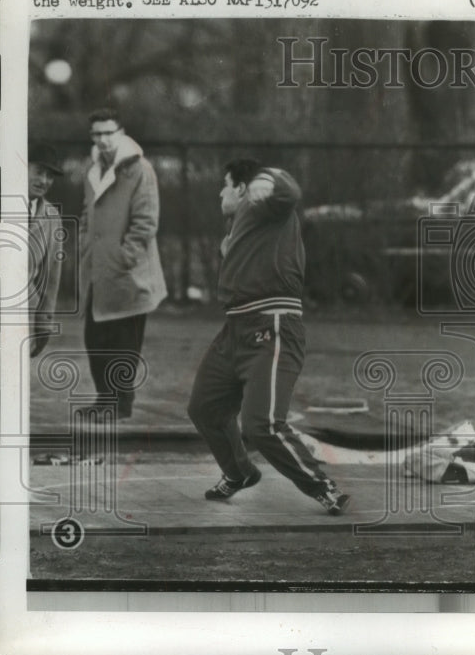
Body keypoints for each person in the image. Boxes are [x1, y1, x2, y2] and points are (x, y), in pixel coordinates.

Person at [187, 159, 350, 515]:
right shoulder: (239, 227)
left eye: (225, 184)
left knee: (262, 425)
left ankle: (322, 486)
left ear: (242, 189)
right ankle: (240, 472)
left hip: (273, 327)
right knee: (204, 408)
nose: (220, 192)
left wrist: (268, 178)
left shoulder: (262, 205)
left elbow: (289, 191)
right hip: (235, 330)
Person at [80, 108, 167, 418]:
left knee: (124, 344)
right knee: (95, 338)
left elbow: (145, 222)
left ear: (121, 132)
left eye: (108, 133)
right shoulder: (93, 169)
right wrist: (85, 244)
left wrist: (124, 258)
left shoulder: (140, 169)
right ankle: (105, 399)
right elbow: (87, 213)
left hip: (130, 275)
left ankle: (119, 404)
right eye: (97, 134)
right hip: (100, 271)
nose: (103, 140)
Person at [27, 142, 65, 358]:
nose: (43, 181)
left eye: (50, 176)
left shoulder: (51, 217)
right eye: (39, 172)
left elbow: (51, 275)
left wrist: (44, 322)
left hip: (23, 314)